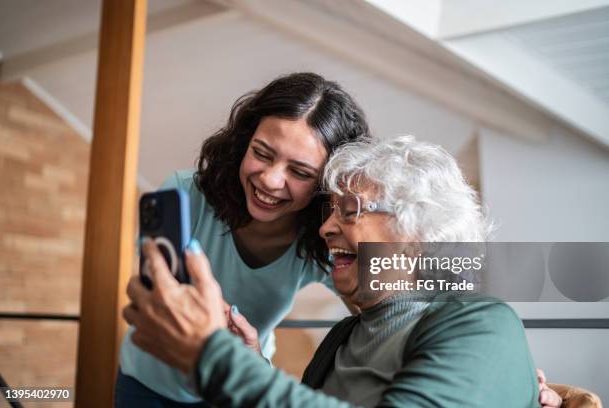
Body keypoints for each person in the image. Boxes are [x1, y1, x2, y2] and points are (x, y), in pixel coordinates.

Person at [124, 135, 563, 407]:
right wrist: (246, 360)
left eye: (349, 210)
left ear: (417, 227)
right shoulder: (344, 337)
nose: (325, 227)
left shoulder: (484, 322)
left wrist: (212, 358)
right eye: (329, 210)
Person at [116, 72, 369, 406]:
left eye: (300, 172)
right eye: (262, 153)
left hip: (235, 386)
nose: (270, 180)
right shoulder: (185, 193)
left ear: (327, 186)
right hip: (148, 383)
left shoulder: (327, 234)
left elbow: (386, 311)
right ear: (243, 142)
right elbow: (152, 297)